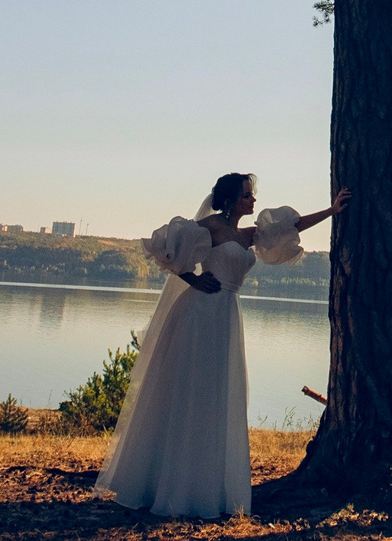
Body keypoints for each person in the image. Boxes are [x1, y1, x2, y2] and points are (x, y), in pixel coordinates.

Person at [94, 172, 349, 518]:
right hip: (198, 315)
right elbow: (166, 252)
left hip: (226, 315)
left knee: (216, 396)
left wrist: (332, 211)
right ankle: (165, 484)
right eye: (247, 195)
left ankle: (203, 486)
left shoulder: (248, 235)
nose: (253, 201)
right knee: (188, 393)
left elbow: (293, 226)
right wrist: (194, 279)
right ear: (231, 199)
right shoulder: (208, 227)